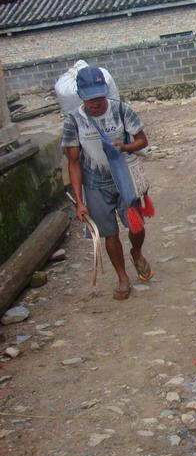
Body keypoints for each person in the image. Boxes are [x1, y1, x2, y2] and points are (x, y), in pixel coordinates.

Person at [62, 66, 153, 300]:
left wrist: (125, 147)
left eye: (99, 97)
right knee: (110, 233)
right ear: (81, 96)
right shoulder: (74, 121)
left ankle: (136, 251)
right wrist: (79, 202)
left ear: (105, 92)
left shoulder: (121, 110)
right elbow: (73, 163)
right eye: (90, 99)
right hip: (94, 183)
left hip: (123, 176)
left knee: (136, 225)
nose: (96, 103)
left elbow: (142, 140)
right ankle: (122, 277)